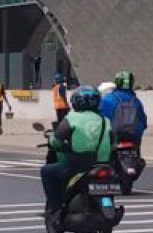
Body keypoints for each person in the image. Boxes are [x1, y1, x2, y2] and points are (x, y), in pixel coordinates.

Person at [40, 86, 112, 215]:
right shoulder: (105, 120)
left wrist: (59, 145)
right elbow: (114, 141)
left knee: (46, 171)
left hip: (78, 164)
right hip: (103, 164)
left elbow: (56, 140)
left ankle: (54, 207)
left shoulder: (72, 118)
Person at [99, 70, 147, 145]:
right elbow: (143, 121)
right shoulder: (136, 101)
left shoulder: (108, 99)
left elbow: (102, 117)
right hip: (133, 137)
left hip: (113, 136)